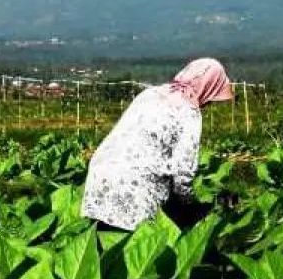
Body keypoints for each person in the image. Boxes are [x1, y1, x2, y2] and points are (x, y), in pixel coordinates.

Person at [82, 58, 234, 231]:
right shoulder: (189, 111)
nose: (209, 103)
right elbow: (183, 171)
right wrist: (190, 206)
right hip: (136, 186)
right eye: (213, 97)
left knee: (104, 243)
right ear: (208, 87)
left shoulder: (151, 93)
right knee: (135, 247)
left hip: (100, 173)